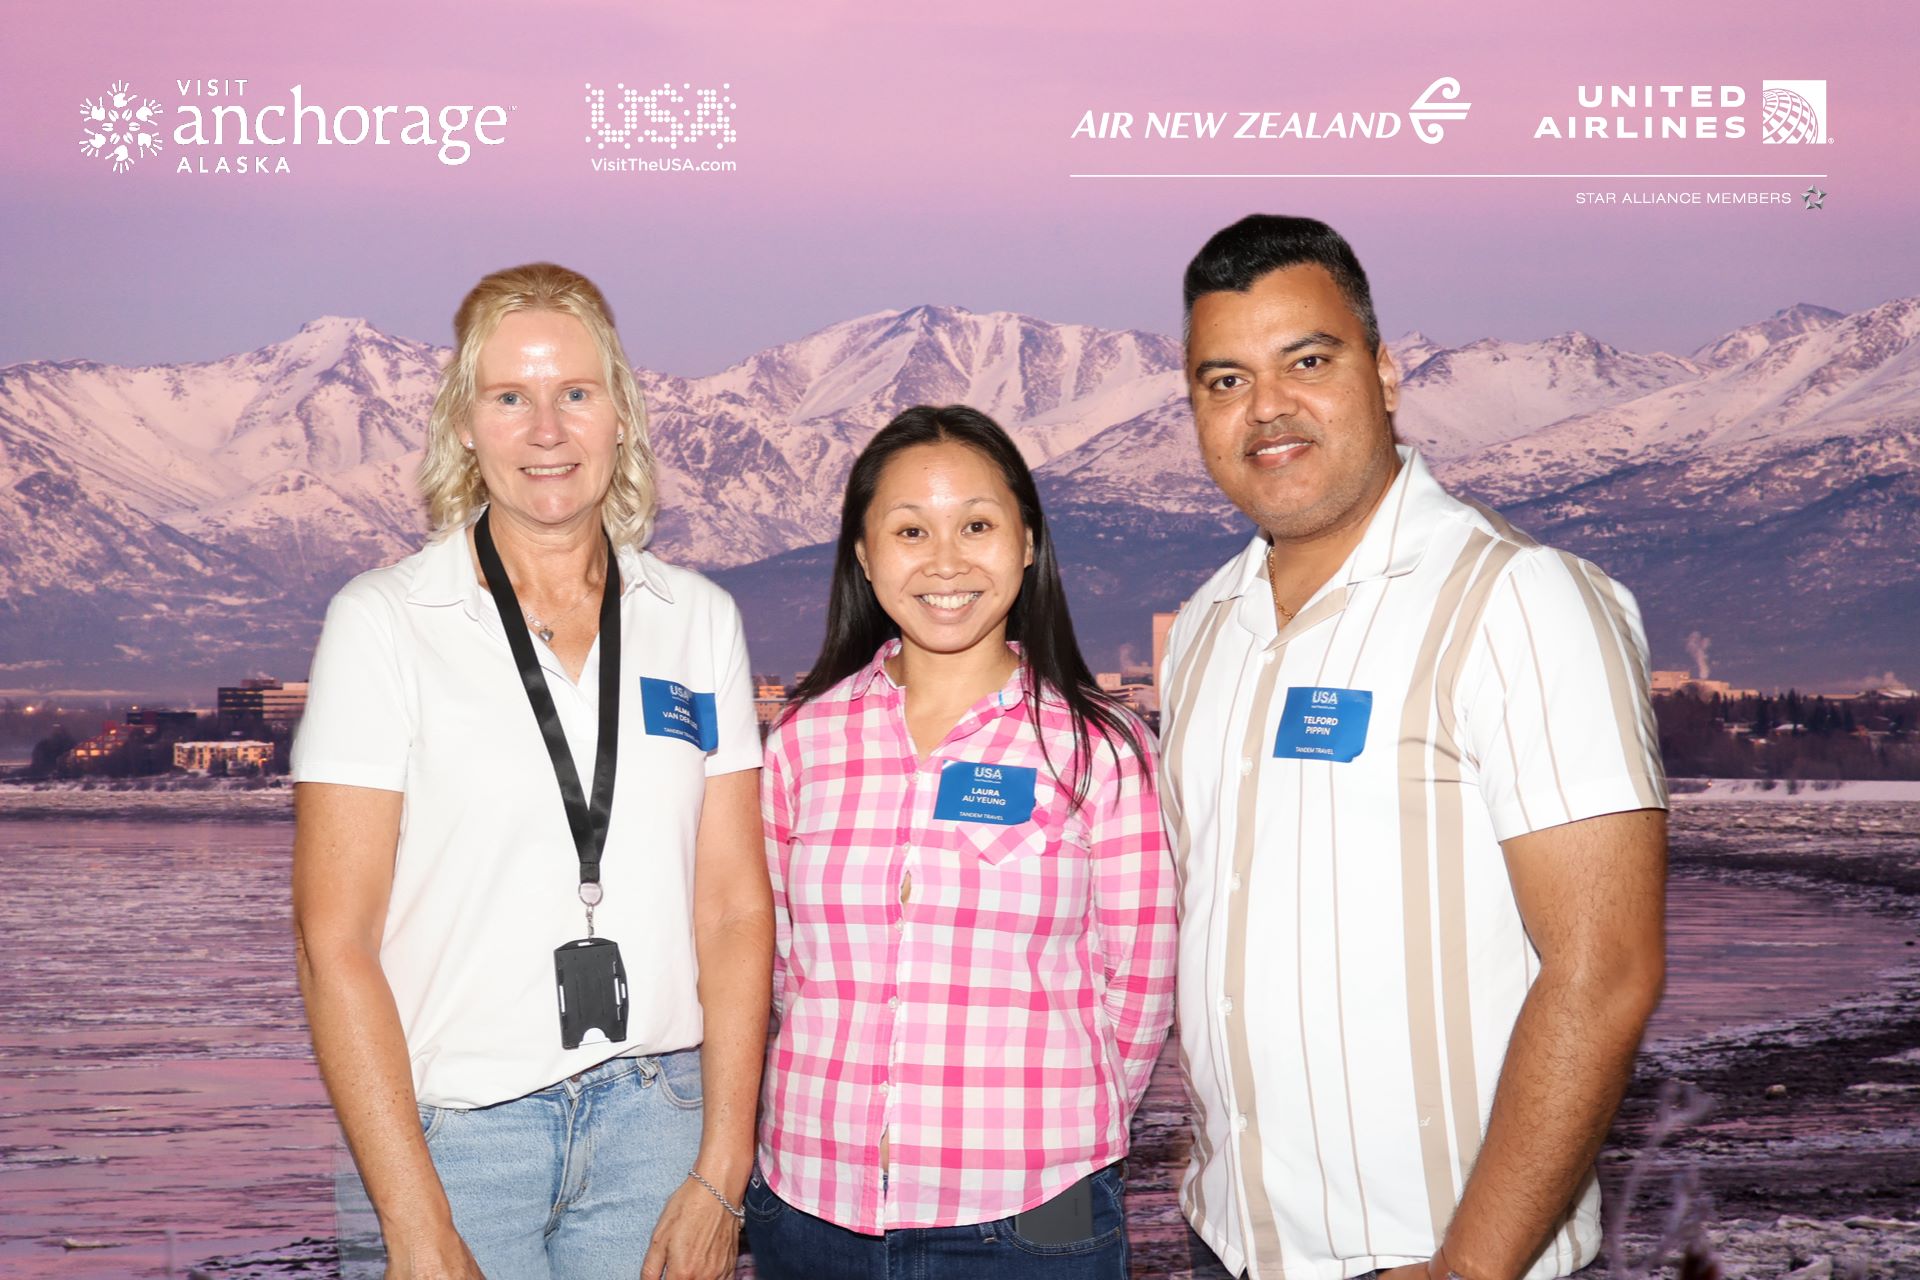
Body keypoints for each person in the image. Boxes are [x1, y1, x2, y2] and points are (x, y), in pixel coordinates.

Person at [1162, 216, 1667, 1280]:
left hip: (1438, 1259)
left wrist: (1467, 1269)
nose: (1267, 407)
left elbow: (1605, 970)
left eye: (1308, 361)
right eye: (1226, 380)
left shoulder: (1520, 600)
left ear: (1386, 372)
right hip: (1228, 1246)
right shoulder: (1205, 626)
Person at [290, 263, 771, 1280]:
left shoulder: (697, 620)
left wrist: (723, 1169)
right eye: (510, 396)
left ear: (621, 415)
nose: (547, 429)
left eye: (576, 393)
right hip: (451, 1136)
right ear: (464, 425)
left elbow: (733, 910)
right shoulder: (385, 623)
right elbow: (334, 942)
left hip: (660, 1123)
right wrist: (416, 1222)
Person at [745, 405, 1178, 1278]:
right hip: (812, 1202)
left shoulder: (1100, 747)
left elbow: (1138, 984)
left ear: (1028, 542)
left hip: (1035, 1207)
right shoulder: (802, 742)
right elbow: (784, 969)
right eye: (910, 531)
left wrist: (1059, 1138)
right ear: (864, 556)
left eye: (977, 525)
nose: (945, 561)